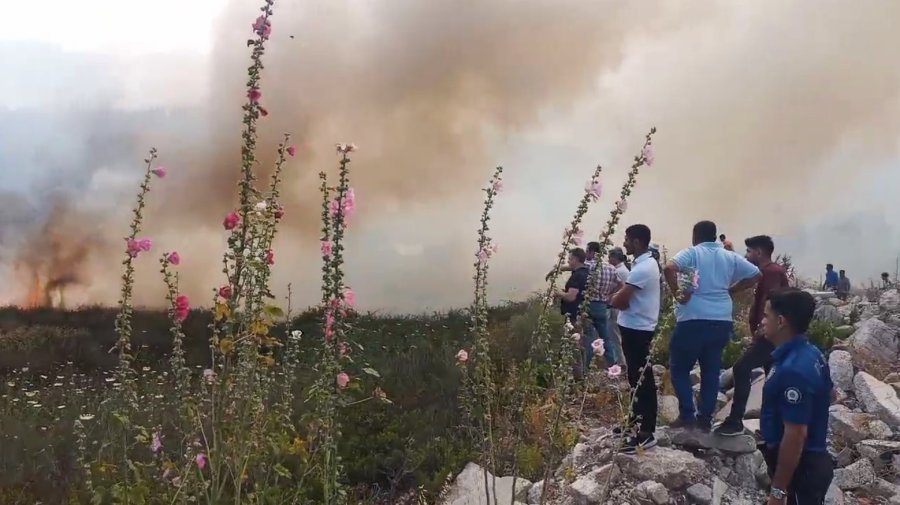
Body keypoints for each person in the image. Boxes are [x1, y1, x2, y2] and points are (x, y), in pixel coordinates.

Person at [663, 221, 761, 432]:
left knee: (679, 368)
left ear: (695, 235)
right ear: (715, 236)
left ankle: (687, 414)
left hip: (693, 319)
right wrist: (732, 289)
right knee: (711, 371)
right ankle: (705, 420)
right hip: (721, 320)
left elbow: (669, 267)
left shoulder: (693, 253)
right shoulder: (729, 256)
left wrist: (677, 294)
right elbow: (756, 274)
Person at [759, 288, 834, 504]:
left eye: (766, 316)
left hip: (802, 470)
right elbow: (829, 394)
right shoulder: (812, 353)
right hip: (807, 463)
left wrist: (778, 492)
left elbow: (795, 435)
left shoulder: (793, 370)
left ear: (781, 321)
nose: (763, 322)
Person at [715, 235, 790, 436]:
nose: (746, 255)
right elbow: (747, 284)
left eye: (749, 251)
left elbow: (773, 302)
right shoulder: (764, 272)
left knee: (741, 368)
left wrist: (764, 328)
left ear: (759, 252)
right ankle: (770, 428)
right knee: (771, 379)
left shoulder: (771, 272)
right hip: (771, 334)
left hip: (770, 336)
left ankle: (735, 420)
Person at [610, 224, 661, 453]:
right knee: (634, 378)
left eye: (628, 240)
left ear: (638, 242)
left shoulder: (643, 268)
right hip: (633, 327)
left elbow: (620, 301)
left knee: (643, 379)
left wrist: (614, 298)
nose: (625, 243)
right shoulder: (643, 264)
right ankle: (633, 421)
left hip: (638, 329)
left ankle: (647, 432)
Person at [606, 247, 630, 366]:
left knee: (615, 334)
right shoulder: (623, 269)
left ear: (615, 258)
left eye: (610, 257)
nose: (608, 259)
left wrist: (610, 295)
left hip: (615, 306)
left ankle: (620, 362)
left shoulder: (619, 271)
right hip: (620, 305)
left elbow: (621, 286)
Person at [557, 248, 590, 324]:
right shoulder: (586, 272)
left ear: (576, 259)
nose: (568, 261)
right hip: (581, 312)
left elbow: (570, 297)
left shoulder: (577, 275)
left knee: (572, 334)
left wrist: (558, 293)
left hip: (573, 315)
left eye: (570, 259)